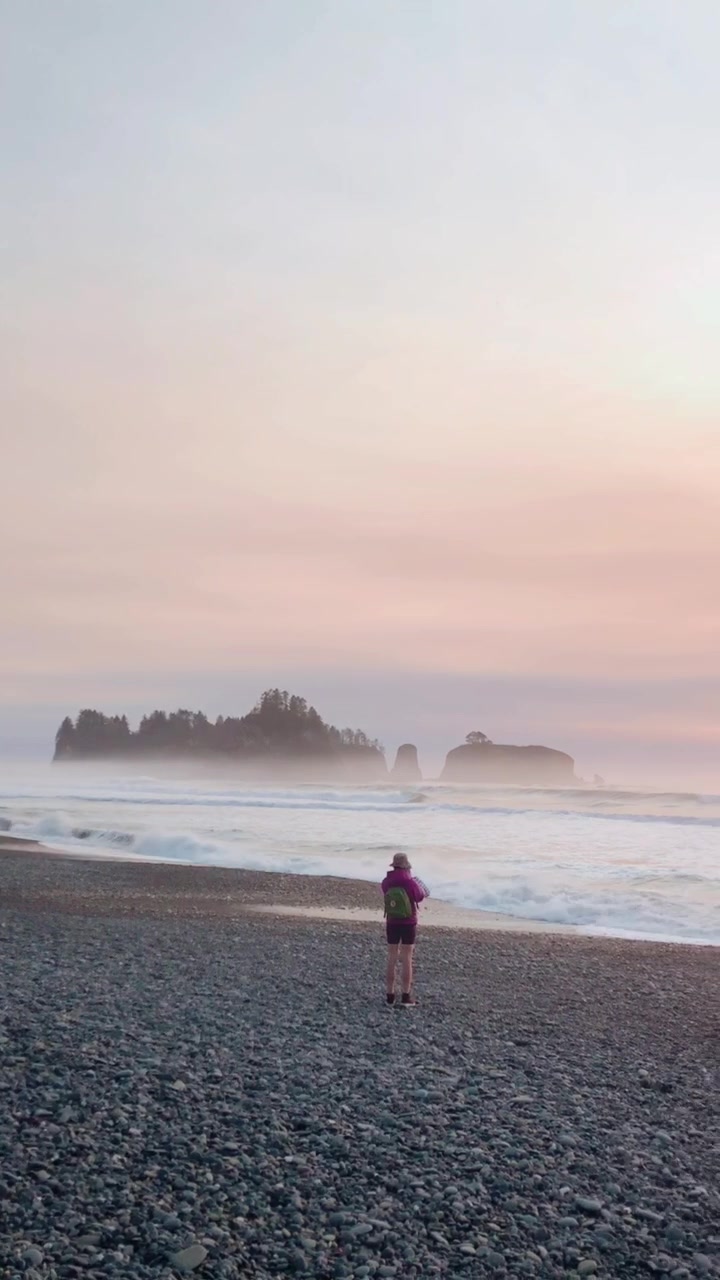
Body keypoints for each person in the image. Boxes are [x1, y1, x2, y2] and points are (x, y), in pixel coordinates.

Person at [381, 852, 429, 1006]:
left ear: (393, 865)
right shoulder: (410, 882)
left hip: (392, 921)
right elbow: (420, 896)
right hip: (408, 922)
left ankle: (390, 995)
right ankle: (406, 996)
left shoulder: (386, 881)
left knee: (392, 956)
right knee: (407, 957)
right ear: (406, 865)